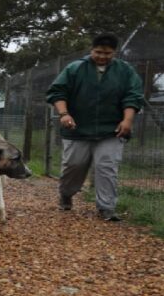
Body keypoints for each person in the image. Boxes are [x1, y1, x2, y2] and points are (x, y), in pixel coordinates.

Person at [46, 33, 143, 221]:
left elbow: (133, 95)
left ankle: (106, 208)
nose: (102, 56)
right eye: (98, 52)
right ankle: (66, 194)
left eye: (107, 53)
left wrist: (127, 120)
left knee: (106, 167)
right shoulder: (75, 68)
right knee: (74, 165)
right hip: (77, 129)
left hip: (111, 130)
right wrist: (64, 114)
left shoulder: (125, 71)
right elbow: (57, 92)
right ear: (91, 50)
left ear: (114, 52)